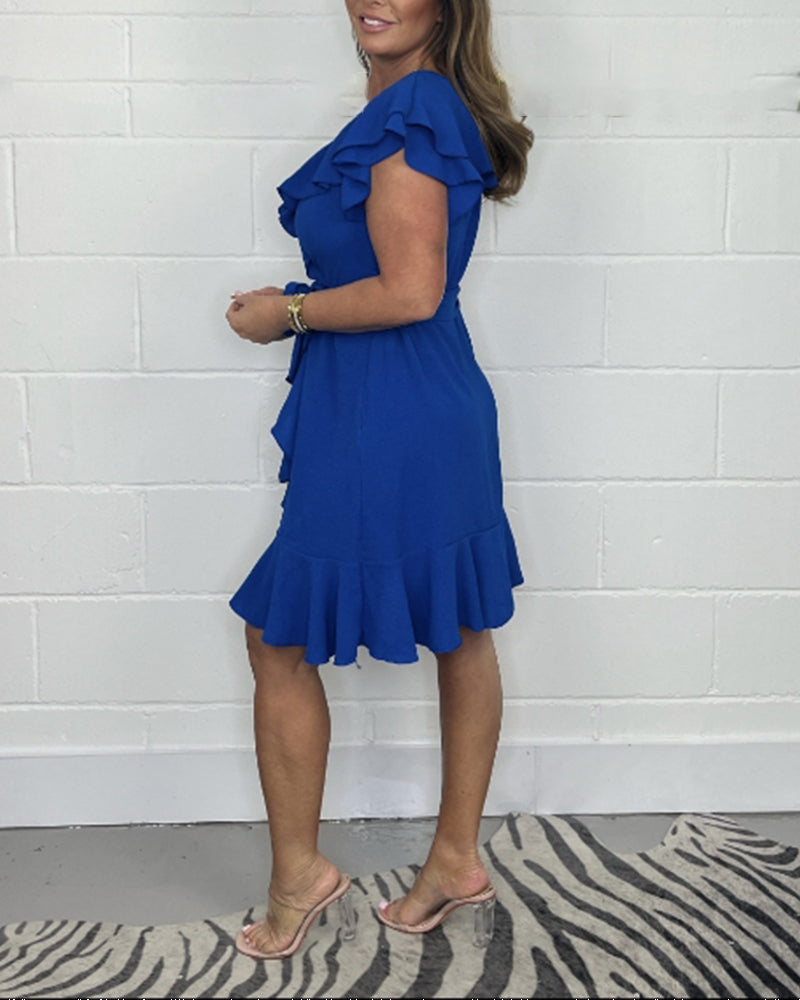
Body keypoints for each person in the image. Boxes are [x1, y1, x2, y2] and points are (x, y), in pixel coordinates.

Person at [224, 0, 533, 962]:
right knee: (461, 623)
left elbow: (409, 290)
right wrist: (300, 304)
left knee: (278, 635)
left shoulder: (419, 107)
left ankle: (300, 878)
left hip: (390, 415)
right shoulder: (404, 104)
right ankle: (454, 860)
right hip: (408, 403)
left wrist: (288, 311)